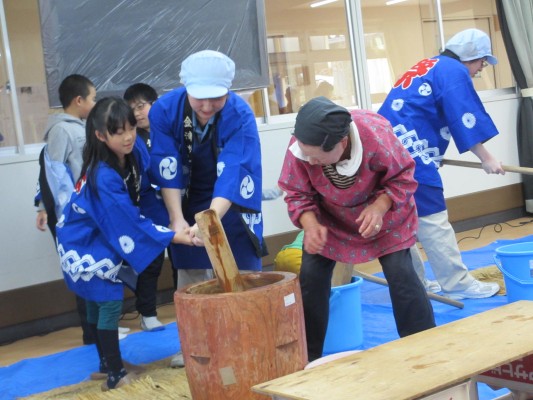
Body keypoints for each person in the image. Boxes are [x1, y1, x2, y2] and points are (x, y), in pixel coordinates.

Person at [278, 96, 436, 362]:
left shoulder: (375, 134)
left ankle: (424, 352)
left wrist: (379, 206)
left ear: (341, 142)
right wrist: (310, 223)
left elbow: (403, 178)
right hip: (329, 219)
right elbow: (295, 190)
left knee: (401, 274)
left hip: (383, 216)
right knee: (311, 277)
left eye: (317, 157)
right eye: (306, 154)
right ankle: (306, 358)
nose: (311, 161)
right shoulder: (302, 144)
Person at [55, 97, 192, 390]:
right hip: (83, 238)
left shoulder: (132, 152)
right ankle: (114, 373)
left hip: (97, 231)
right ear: (101, 136)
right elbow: (125, 218)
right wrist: (171, 234)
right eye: (118, 132)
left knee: (98, 299)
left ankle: (107, 363)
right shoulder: (102, 173)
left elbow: (145, 189)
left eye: (131, 127)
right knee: (106, 300)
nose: (128, 136)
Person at [148, 50, 264, 368]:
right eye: (200, 98)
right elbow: (165, 164)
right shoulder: (165, 109)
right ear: (186, 87)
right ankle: (196, 346)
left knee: (241, 267)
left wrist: (210, 219)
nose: (207, 106)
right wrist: (176, 219)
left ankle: (247, 338)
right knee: (191, 270)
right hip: (184, 198)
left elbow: (234, 170)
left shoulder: (239, 113)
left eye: (217, 98)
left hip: (231, 202)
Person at [378, 28, 504, 300]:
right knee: (432, 219)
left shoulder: (429, 63)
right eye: (482, 61)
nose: (481, 68)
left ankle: (415, 283)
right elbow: (463, 116)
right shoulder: (453, 71)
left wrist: (431, 155)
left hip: (385, 147)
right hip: (409, 153)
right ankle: (458, 283)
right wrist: (487, 158)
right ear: (470, 57)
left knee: (401, 221)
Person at [34, 74, 97, 345]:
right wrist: (49, 208)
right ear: (79, 100)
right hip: (72, 215)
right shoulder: (62, 130)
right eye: (93, 98)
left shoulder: (81, 127)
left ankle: (100, 327)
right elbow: (53, 173)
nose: (95, 103)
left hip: (86, 210)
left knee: (95, 267)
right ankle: (92, 333)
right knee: (81, 268)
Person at [123, 83, 175, 332]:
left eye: (141, 106)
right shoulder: (132, 140)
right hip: (150, 208)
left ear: (155, 103)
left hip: (179, 205)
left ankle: (184, 304)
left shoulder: (170, 128)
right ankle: (147, 312)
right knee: (151, 263)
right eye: (132, 109)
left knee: (184, 262)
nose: (137, 113)